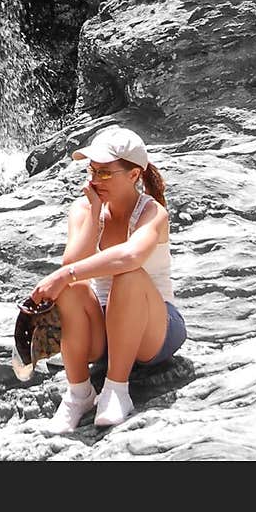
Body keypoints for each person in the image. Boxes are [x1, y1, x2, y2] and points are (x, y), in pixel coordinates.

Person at [28, 126, 187, 433]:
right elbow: (72, 264)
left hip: (155, 328)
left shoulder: (152, 212)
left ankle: (117, 389)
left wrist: (65, 274)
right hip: (106, 330)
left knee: (127, 275)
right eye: (91, 171)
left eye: (104, 173)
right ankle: (79, 393)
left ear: (133, 175)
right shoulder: (84, 209)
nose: (94, 180)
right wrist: (95, 212)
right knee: (70, 287)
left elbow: (130, 257)